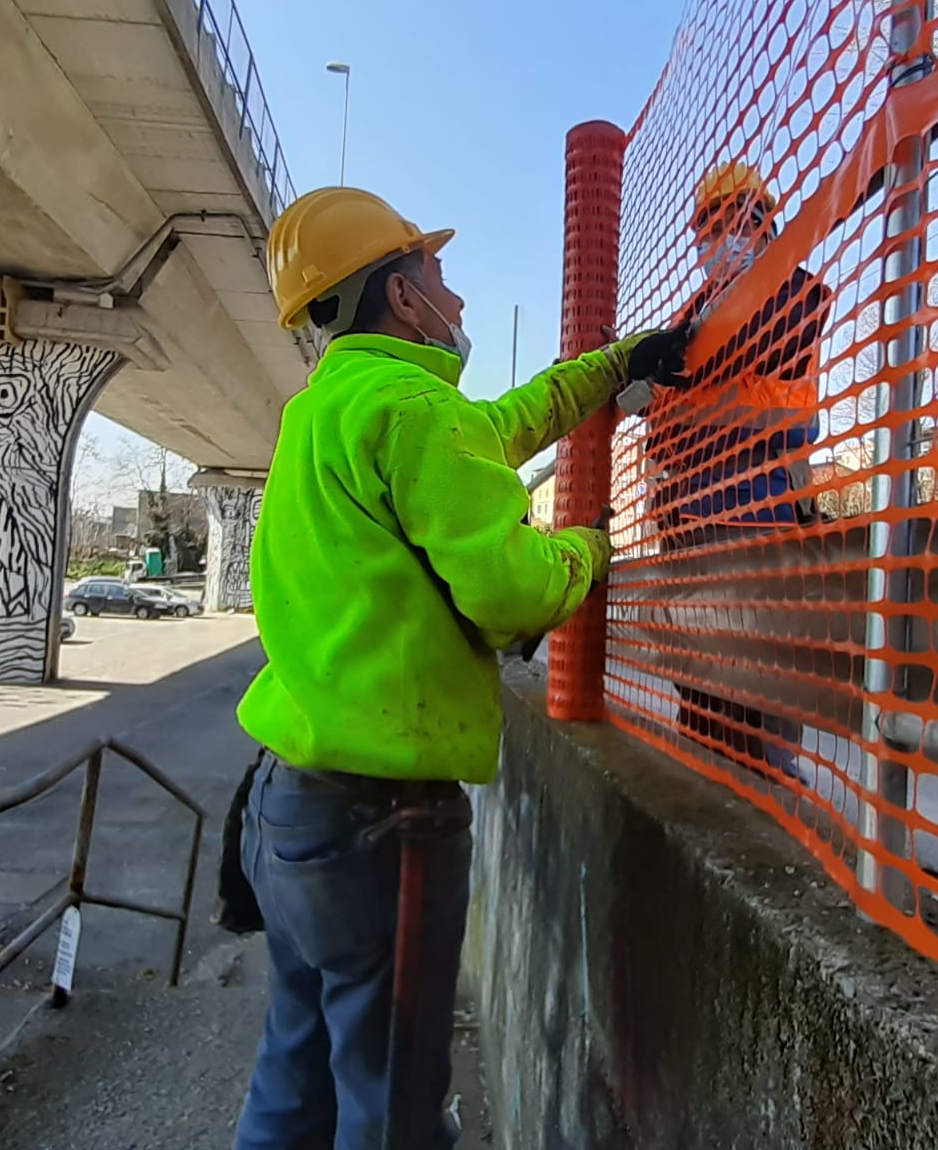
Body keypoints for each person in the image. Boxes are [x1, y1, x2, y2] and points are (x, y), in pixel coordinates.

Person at [233, 186, 688, 1150]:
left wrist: (609, 370)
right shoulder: (412, 411)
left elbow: (495, 430)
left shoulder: (325, 410)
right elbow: (514, 593)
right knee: (395, 1107)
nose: (461, 300)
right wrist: (591, 552)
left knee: (298, 1070)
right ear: (403, 299)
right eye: (439, 275)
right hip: (379, 821)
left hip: (287, 804)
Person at [639, 162, 831, 784]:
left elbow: (786, 416)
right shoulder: (693, 316)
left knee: (756, 700)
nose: (718, 240)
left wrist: (687, 412)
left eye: (735, 223)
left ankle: (771, 801)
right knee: (701, 702)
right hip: (690, 538)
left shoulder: (793, 298)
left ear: (765, 224)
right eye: (709, 227)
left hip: (754, 530)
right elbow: (661, 426)